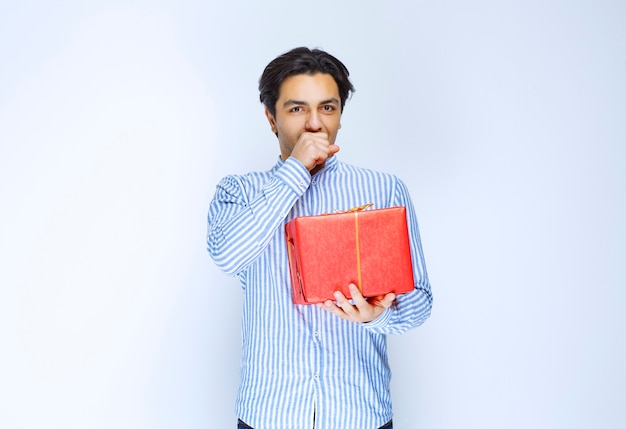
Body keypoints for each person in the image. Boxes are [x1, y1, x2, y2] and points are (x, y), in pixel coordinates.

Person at [207, 47, 433, 429]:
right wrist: (295, 171)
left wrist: (375, 318)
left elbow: (420, 303)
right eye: (297, 109)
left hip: (360, 415)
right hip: (269, 416)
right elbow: (228, 256)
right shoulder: (239, 192)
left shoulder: (384, 189)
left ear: (341, 116)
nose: (314, 124)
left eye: (327, 108)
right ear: (271, 118)